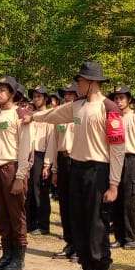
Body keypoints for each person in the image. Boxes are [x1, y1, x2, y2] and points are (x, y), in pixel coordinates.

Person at [25, 61, 124, 270]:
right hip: (77, 169)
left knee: (96, 225)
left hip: (98, 171)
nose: (76, 84)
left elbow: (118, 148)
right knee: (79, 222)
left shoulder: (109, 108)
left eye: (80, 81)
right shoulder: (77, 106)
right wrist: (34, 117)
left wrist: (114, 183)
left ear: (92, 83)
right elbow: (54, 115)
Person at [0, 76, 32, 270]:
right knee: (0, 214)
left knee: (16, 215)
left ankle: (18, 258)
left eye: (3, 90)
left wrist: (20, 176)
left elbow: (26, 147)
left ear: (12, 93)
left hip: (13, 168)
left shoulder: (20, 114)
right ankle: (7, 254)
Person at [109, 85, 135, 250]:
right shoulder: (112, 117)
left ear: (129, 100)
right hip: (114, 159)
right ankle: (118, 237)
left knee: (129, 201)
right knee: (115, 199)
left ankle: (131, 237)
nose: (118, 101)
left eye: (122, 98)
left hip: (131, 159)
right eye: (116, 98)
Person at [49, 84, 78, 259]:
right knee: (65, 205)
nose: (67, 97)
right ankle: (69, 243)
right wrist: (54, 169)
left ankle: (80, 246)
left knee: (77, 205)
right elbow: (54, 142)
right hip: (62, 159)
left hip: (77, 160)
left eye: (71, 94)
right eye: (65, 94)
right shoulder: (59, 115)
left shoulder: (82, 113)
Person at [26, 86, 54, 235]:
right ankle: (30, 222)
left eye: (39, 96)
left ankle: (43, 224)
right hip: (29, 155)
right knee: (29, 190)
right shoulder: (30, 115)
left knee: (40, 191)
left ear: (45, 98)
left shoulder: (50, 115)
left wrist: (47, 164)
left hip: (41, 155)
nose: (36, 99)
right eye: (34, 96)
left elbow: (51, 142)